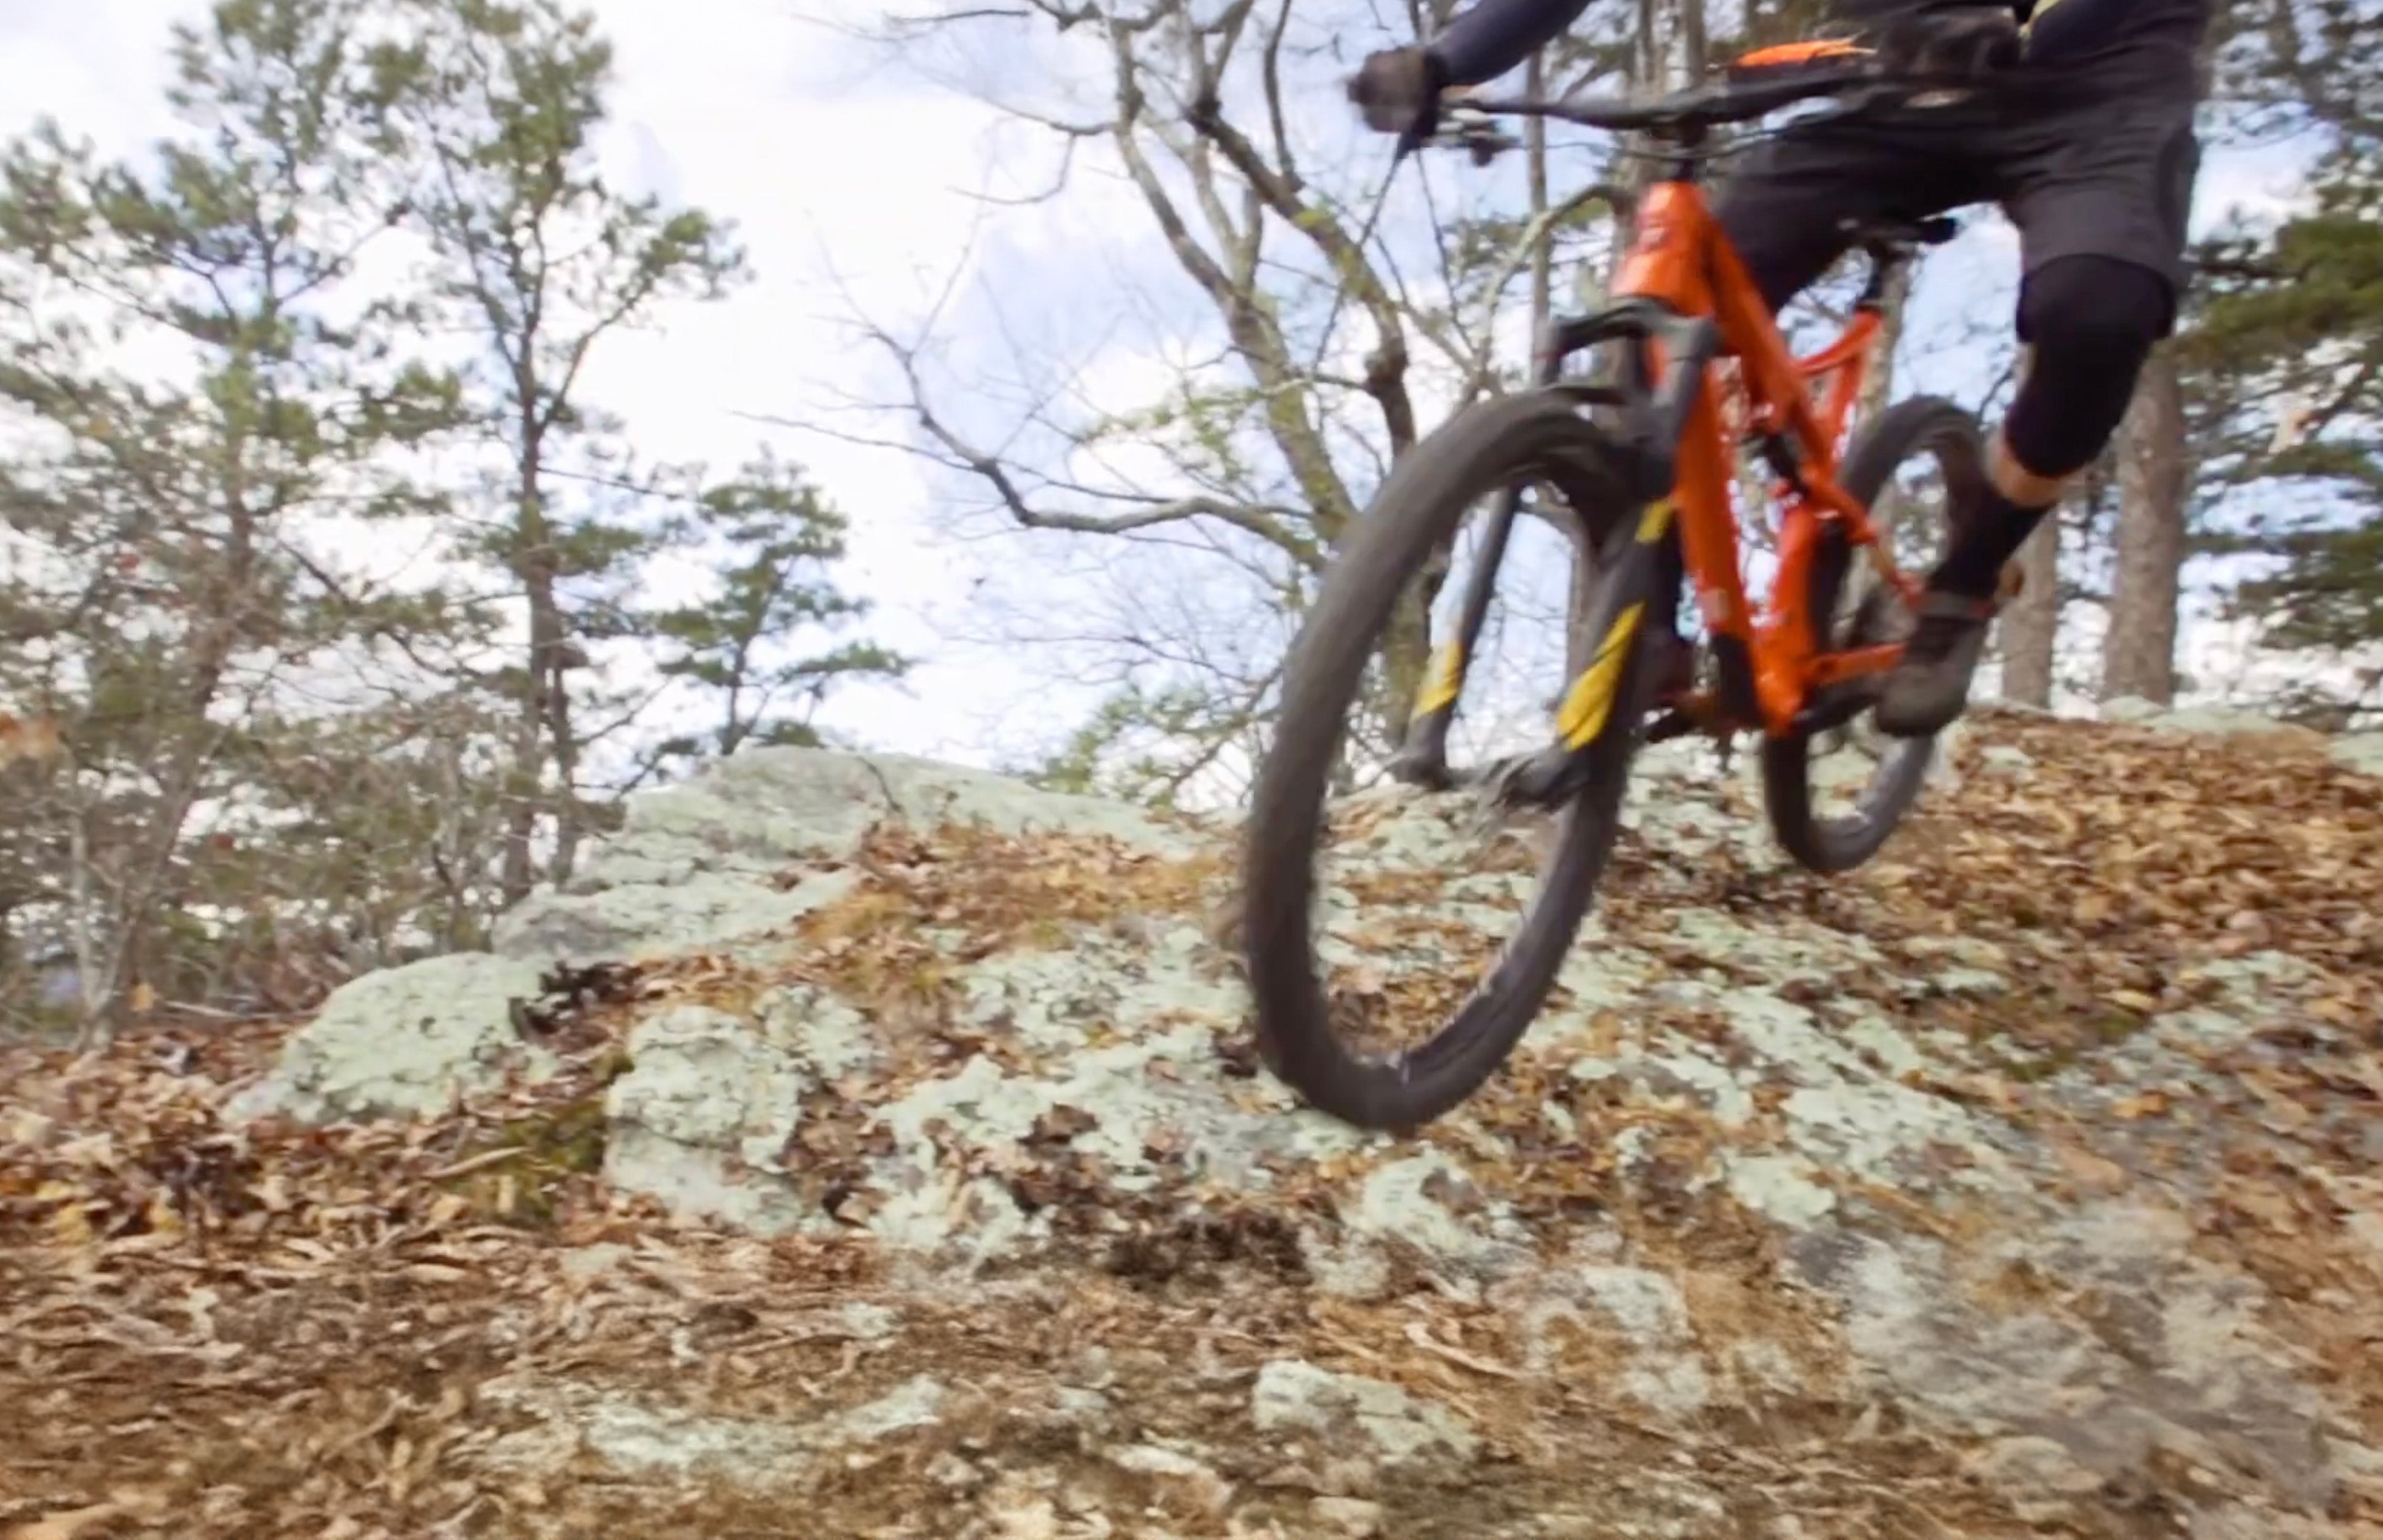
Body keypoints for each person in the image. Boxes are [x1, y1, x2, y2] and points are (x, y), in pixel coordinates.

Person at [1347, 0, 2211, 737]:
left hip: (2103, 84)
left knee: (2094, 312)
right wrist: (1445, 61)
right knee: (1676, 297)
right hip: (1900, 87)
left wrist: (2032, 25)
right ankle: (1651, 610)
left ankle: (1965, 580)